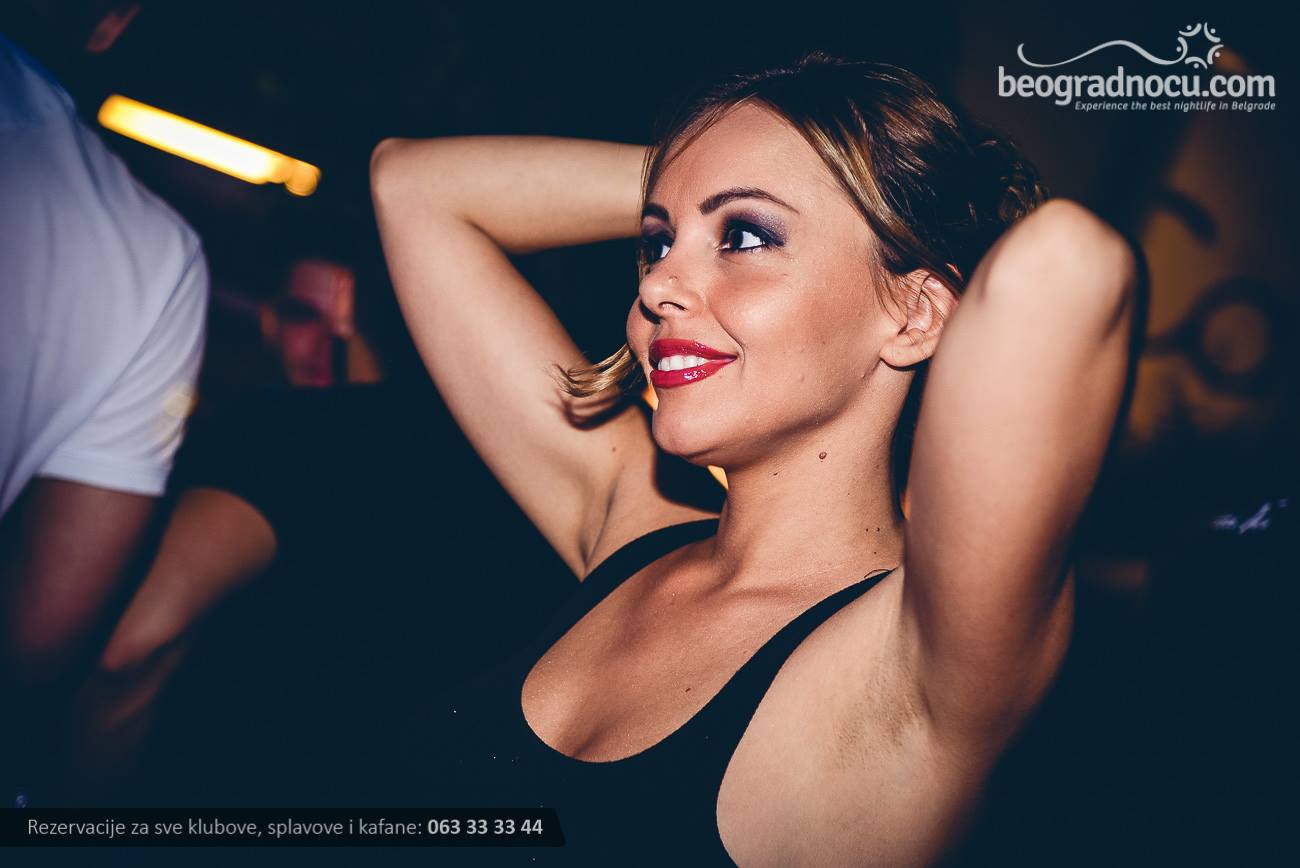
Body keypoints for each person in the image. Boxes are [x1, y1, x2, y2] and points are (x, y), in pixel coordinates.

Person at [370, 52, 1138, 864]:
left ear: (916, 315)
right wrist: (706, 167)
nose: (657, 286)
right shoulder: (629, 528)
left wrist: (814, 173)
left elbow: (1064, 261)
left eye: (744, 236)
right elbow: (410, 183)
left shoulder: (910, 672)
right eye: (657, 243)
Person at [0, 2, 208, 799]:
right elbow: (49, 635)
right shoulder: (150, 255)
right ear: (111, 21)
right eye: (295, 316)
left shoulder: (160, 259)